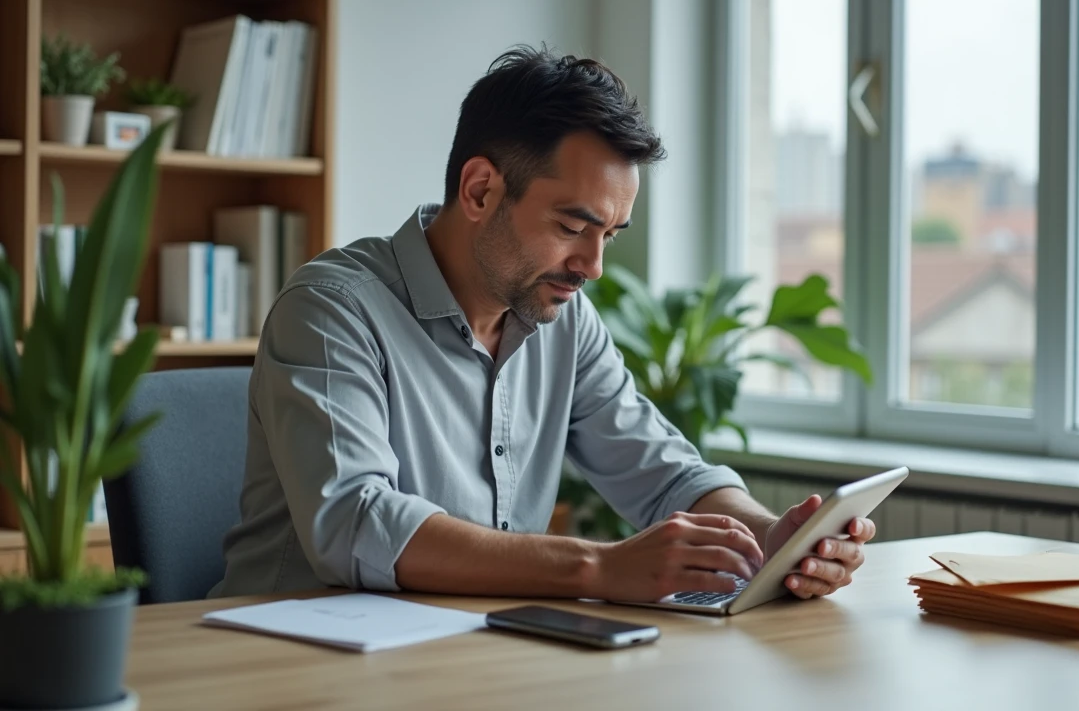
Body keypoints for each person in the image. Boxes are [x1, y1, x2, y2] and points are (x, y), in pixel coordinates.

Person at [209, 45, 876, 602]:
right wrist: (597, 567)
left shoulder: (564, 320)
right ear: (479, 191)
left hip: (474, 657)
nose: (593, 266)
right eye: (572, 227)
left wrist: (768, 538)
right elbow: (353, 523)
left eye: (610, 235)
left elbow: (665, 474)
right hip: (292, 667)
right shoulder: (332, 309)